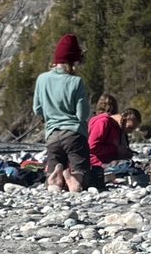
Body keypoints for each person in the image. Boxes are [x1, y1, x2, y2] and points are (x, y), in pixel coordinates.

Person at [33, 34, 90, 192]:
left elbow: (37, 109)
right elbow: (81, 115)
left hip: (52, 134)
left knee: (54, 165)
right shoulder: (76, 82)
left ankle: (55, 178)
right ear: (74, 60)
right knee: (81, 169)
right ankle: (74, 180)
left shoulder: (42, 79)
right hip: (74, 134)